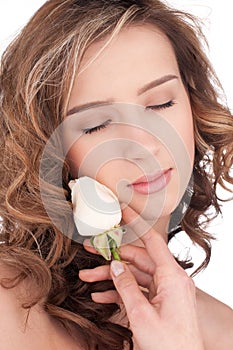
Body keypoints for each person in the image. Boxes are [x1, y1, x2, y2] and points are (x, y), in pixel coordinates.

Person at [0, 0, 233, 349]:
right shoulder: (8, 306)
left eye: (160, 104)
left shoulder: (223, 331)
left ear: (194, 106)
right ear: (49, 153)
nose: (144, 144)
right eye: (96, 124)